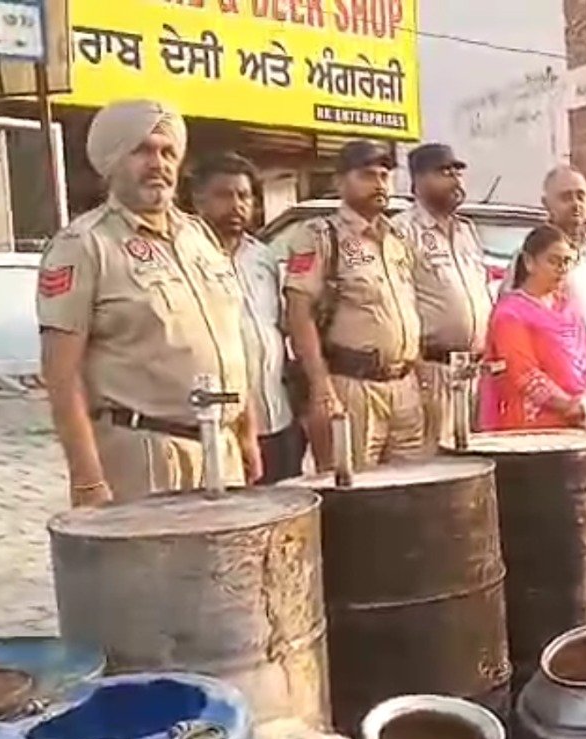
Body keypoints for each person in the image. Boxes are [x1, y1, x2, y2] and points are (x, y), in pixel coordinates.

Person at [35, 100, 259, 507]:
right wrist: (86, 477)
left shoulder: (199, 236)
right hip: (145, 456)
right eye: (142, 150)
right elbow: (61, 374)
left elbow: (230, 340)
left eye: (168, 152)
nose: (158, 164)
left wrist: (245, 433)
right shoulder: (84, 245)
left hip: (221, 451)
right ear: (111, 161)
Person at [281, 140, 424, 470]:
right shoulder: (321, 236)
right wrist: (320, 386)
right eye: (367, 175)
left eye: (384, 176)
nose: (379, 184)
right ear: (339, 182)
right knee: (357, 485)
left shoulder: (396, 238)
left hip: (404, 386)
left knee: (413, 487)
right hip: (353, 386)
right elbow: (299, 314)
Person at [189, 152, 302, 484]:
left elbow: (277, 329)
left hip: (278, 418)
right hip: (222, 426)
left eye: (244, 196)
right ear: (198, 200)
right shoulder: (187, 258)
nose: (237, 205)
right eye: (224, 195)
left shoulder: (263, 257)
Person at [392, 143, 492, 451]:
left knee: (474, 459)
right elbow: (397, 303)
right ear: (418, 181)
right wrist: (416, 366)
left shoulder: (466, 231)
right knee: (436, 460)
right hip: (433, 371)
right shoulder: (402, 231)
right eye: (444, 172)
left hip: (474, 373)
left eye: (457, 172)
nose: (454, 180)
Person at [479, 225, 586, 431]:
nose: (561, 269)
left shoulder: (572, 308)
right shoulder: (510, 313)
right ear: (529, 262)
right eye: (553, 261)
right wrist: (567, 406)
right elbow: (524, 373)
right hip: (534, 426)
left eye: (567, 262)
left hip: (582, 420)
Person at [535, 166, 586, 360]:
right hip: (553, 366)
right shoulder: (533, 256)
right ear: (546, 204)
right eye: (566, 197)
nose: (576, 204)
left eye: (581, 196)